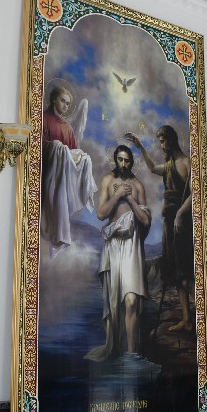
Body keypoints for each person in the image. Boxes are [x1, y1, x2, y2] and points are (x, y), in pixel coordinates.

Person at [85, 145, 151, 362]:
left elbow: (145, 220)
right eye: (120, 160)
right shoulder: (107, 180)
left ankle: (131, 354)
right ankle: (115, 349)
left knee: (131, 300)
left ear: (132, 162)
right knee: (114, 304)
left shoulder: (138, 185)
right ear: (115, 160)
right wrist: (117, 195)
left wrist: (130, 199)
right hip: (113, 244)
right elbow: (101, 213)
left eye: (127, 160)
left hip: (132, 245)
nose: (123, 164)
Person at [125, 126, 194, 332]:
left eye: (164, 141)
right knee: (175, 271)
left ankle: (203, 313)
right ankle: (186, 320)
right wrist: (140, 147)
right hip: (169, 223)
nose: (162, 146)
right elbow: (153, 168)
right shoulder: (170, 165)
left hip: (181, 222)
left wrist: (180, 214)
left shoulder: (187, 163)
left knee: (185, 271)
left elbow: (195, 193)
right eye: (160, 142)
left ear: (171, 140)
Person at [40, 87, 96, 257]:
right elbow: (38, 144)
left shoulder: (67, 127)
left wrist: (82, 159)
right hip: (47, 174)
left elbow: (73, 153)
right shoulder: (43, 119)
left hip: (62, 177)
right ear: (54, 99)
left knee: (84, 158)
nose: (65, 105)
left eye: (68, 103)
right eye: (63, 101)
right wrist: (56, 147)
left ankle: (59, 240)